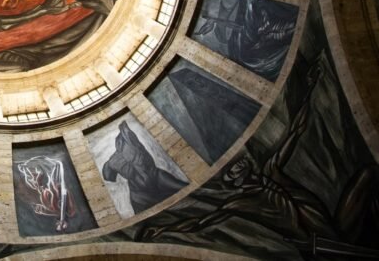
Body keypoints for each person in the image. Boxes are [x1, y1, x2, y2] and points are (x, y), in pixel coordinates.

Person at [139, 64, 379, 256]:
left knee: (368, 174)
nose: (237, 165)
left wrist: (309, 88)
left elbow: (296, 130)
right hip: (320, 246)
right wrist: (162, 229)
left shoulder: (271, 169)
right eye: (232, 171)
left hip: (335, 229)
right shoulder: (241, 202)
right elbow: (200, 222)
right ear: (235, 183)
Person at [102, 121, 187, 214]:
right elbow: (108, 176)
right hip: (141, 191)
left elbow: (108, 176)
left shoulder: (114, 160)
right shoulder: (114, 160)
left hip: (153, 181)